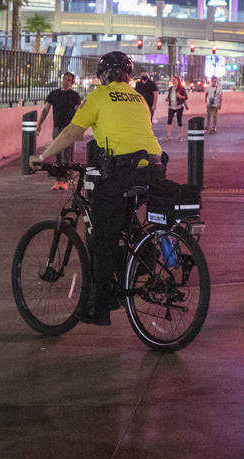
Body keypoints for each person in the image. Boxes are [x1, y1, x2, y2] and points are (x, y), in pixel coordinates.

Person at [31, 51, 162, 326]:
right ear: (127, 75)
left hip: (122, 171)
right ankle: (141, 258)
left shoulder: (100, 96)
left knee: (103, 238)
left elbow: (72, 132)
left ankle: (102, 306)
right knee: (124, 224)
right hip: (153, 167)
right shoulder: (138, 97)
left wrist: (43, 157)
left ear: (103, 75)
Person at [35, 72, 82, 188]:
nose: (65, 81)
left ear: (72, 82)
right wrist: (39, 124)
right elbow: (45, 110)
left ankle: (66, 180)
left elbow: (78, 112)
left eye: (68, 80)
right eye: (64, 79)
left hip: (69, 128)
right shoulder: (54, 94)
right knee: (57, 154)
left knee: (67, 154)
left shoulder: (74, 95)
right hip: (57, 128)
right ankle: (58, 180)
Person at [165, 76, 189, 142]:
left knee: (179, 121)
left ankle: (180, 136)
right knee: (169, 120)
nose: (173, 81)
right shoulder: (170, 88)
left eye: (175, 80)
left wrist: (180, 96)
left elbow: (186, 97)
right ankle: (168, 135)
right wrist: (167, 98)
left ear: (178, 81)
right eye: (173, 80)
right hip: (171, 106)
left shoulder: (181, 88)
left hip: (179, 106)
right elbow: (169, 96)